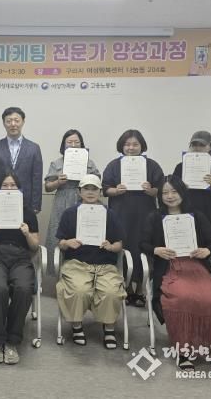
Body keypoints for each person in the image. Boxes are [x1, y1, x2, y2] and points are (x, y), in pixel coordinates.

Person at [140, 175, 211, 380]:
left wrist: (206, 251)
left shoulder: (196, 216)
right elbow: (142, 243)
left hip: (196, 267)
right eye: (165, 192)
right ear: (160, 196)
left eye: (174, 191)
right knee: (182, 298)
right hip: (170, 268)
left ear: (182, 193)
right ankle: (184, 352)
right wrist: (156, 250)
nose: (170, 196)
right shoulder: (154, 217)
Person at [56, 174, 126, 348]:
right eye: (86, 189)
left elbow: (119, 244)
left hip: (105, 265)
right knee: (78, 290)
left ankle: (109, 328)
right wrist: (67, 243)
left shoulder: (110, 214)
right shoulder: (70, 214)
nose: (90, 192)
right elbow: (60, 243)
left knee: (111, 292)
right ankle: (76, 326)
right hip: (77, 263)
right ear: (79, 192)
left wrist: (111, 247)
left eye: (94, 189)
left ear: (100, 192)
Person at [0, 171, 39, 365]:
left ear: (19, 189)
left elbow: (35, 247)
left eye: (13, 185)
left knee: (23, 288)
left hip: (20, 257)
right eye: (5, 185)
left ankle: (12, 340)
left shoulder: (28, 213)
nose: (9, 189)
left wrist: (27, 234)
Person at [102, 129, 164, 307]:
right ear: (122, 146)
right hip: (120, 214)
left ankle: (140, 291)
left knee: (143, 249)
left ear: (141, 146)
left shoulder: (152, 165)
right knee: (123, 247)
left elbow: (160, 189)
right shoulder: (114, 165)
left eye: (135, 144)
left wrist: (151, 190)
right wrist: (116, 190)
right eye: (127, 144)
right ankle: (126, 289)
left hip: (145, 215)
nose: (131, 147)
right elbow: (105, 189)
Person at [45, 129, 100, 272]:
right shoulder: (56, 163)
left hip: (85, 200)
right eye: (69, 142)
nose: (73, 145)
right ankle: (56, 270)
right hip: (62, 200)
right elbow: (47, 187)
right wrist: (58, 182)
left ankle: (83, 271)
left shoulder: (89, 163)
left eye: (77, 142)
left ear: (82, 144)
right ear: (63, 145)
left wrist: (88, 179)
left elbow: (98, 181)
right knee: (58, 235)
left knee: (84, 235)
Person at [173, 131, 211, 257]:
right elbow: (170, 194)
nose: (197, 148)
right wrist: (181, 188)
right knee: (185, 260)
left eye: (202, 145)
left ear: (210, 147)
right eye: (194, 145)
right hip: (184, 221)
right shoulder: (180, 167)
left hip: (210, 221)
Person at [0, 107, 43, 212]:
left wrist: (36, 205)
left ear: (23, 122)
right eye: (9, 121)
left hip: (26, 203)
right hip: (1, 203)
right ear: (4, 123)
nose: (13, 124)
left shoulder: (34, 148)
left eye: (16, 120)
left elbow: (37, 179)